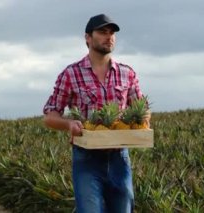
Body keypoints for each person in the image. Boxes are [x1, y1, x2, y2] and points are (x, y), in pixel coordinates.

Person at [42, 14, 150, 213]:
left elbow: (142, 109)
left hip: (119, 156)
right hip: (86, 158)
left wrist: (144, 119)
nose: (109, 37)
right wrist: (69, 124)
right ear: (88, 38)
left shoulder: (127, 73)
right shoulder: (71, 73)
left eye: (111, 33)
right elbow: (50, 115)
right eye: (102, 32)